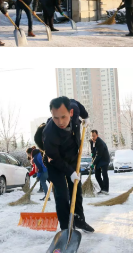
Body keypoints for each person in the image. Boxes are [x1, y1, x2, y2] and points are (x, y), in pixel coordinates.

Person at [38, 96, 94, 233]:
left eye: (63, 117)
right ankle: (65, 228)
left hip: (72, 157)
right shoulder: (49, 133)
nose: (60, 122)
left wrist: (85, 116)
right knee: (62, 193)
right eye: (55, 118)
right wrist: (70, 172)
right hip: (55, 162)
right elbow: (55, 158)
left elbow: (77, 103)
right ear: (52, 114)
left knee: (76, 189)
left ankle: (79, 219)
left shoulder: (74, 109)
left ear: (71, 113)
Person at [89, 130, 110, 195]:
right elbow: (93, 150)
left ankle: (106, 189)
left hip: (104, 159)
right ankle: (102, 188)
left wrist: (93, 163)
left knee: (104, 174)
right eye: (92, 136)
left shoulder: (100, 143)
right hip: (98, 159)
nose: (93, 137)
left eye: (94, 136)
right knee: (97, 175)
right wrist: (92, 153)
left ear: (97, 135)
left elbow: (99, 155)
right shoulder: (91, 142)